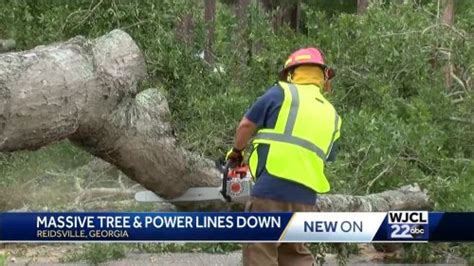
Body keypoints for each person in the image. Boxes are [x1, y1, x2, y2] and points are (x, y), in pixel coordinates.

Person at [226, 47, 342, 266]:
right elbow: (325, 155)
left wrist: (237, 152)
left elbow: (246, 125)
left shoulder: (282, 93)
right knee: (296, 255)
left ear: (291, 73)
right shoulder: (332, 114)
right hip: (306, 199)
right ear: (323, 77)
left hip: (271, 191)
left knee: (260, 250)